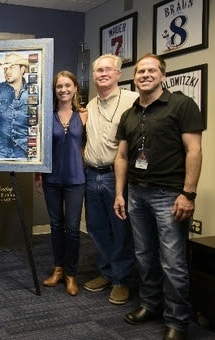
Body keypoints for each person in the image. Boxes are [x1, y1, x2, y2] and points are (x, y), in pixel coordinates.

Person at [114, 53, 203, 340]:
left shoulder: (181, 105)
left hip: (170, 195)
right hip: (136, 193)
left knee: (173, 260)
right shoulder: (129, 114)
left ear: (162, 75)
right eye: (140, 71)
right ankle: (151, 305)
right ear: (135, 77)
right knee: (144, 255)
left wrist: (188, 194)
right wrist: (120, 193)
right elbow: (123, 156)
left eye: (152, 70)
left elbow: (194, 150)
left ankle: (177, 320)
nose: (145, 75)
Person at [82, 54, 138, 305]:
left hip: (117, 176)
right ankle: (106, 272)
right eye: (98, 71)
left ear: (119, 74)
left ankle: (122, 280)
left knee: (121, 229)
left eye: (107, 70)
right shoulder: (90, 105)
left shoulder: (133, 100)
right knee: (96, 227)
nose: (102, 74)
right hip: (91, 174)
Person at [35, 70, 87, 296]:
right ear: (54, 90)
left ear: (75, 88)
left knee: (73, 229)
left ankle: (71, 274)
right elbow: (39, 148)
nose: (64, 90)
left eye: (68, 85)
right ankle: (58, 269)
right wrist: (37, 175)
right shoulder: (46, 115)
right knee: (56, 227)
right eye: (59, 86)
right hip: (52, 179)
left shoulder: (84, 115)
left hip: (76, 179)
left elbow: (88, 146)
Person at [0, 53, 29, 159]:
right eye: (5, 69)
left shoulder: (33, 93)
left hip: (23, 151)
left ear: (22, 69)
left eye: (12, 67)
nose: (7, 72)